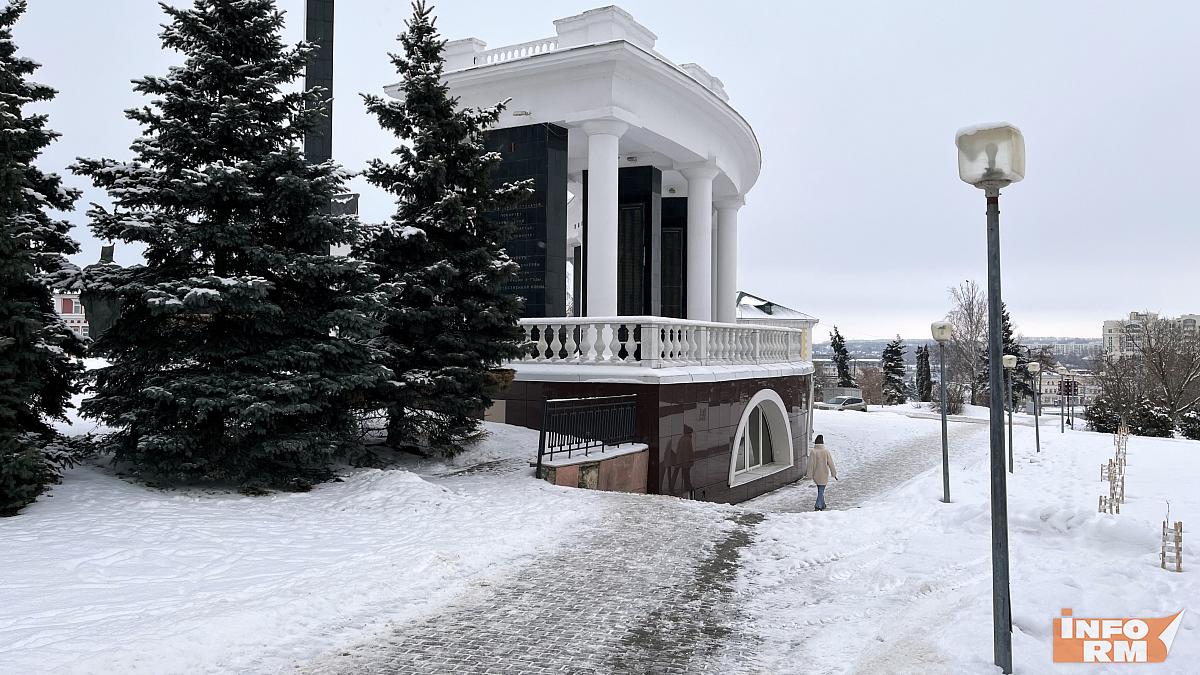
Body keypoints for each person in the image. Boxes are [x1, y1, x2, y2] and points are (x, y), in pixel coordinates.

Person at [808, 434, 837, 511]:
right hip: (824, 474)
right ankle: (818, 506)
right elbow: (831, 463)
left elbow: (810, 465)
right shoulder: (826, 451)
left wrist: (809, 475)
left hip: (816, 475)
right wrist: (834, 474)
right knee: (821, 491)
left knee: (820, 490)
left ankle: (823, 504)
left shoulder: (813, 452)